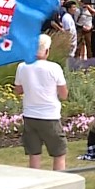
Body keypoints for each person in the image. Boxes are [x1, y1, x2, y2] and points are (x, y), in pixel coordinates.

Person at [14, 35, 69, 171]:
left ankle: (35, 184)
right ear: (47, 51)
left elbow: (18, 90)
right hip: (49, 115)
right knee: (59, 153)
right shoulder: (54, 68)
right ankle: (58, 183)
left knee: (34, 154)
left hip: (30, 115)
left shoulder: (22, 67)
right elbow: (64, 94)